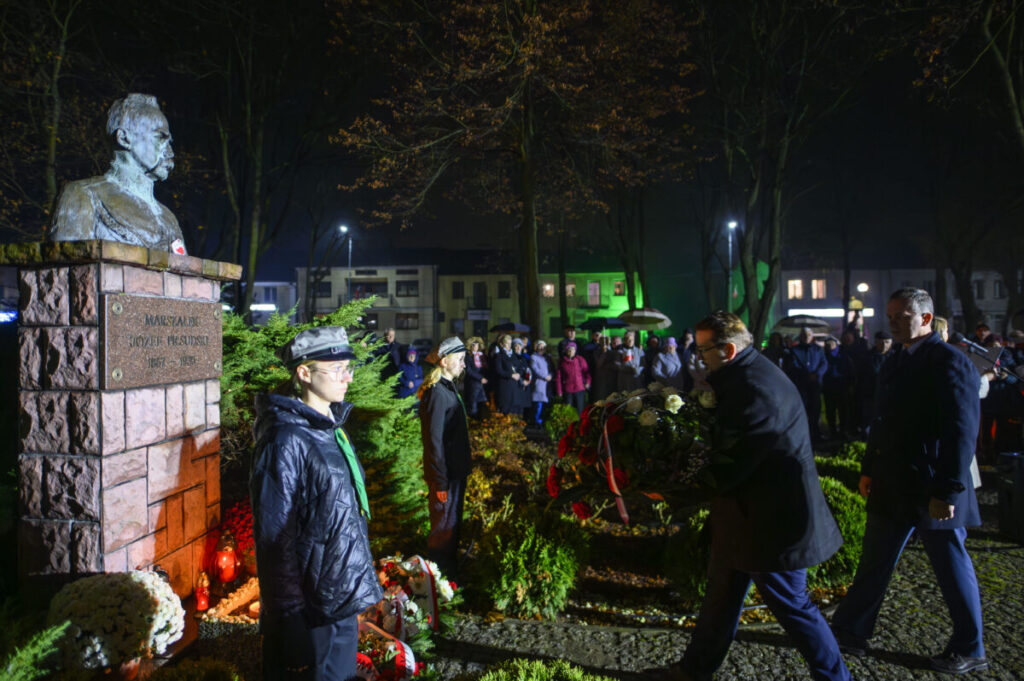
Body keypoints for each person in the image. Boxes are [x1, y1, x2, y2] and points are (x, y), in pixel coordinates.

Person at [673, 312, 849, 681]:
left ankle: (837, 678)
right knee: (720, 600)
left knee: (793, 606)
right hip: (745, 518)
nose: (699, 357)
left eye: (704, 350)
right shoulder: (743, 376)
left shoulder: (755, 388)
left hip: (773, 523)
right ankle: (695, 670)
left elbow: (734, 462)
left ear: (729, 350)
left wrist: (676, 490)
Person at [831, 288, 987, 674]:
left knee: (951, 567)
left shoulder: (950, 361)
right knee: (875, 561)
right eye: (891, 316)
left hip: (932, 487)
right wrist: (869, 467)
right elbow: (881, 420)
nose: (894, 323)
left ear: (927, 319)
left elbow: (961, 433)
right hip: (893, 481)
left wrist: (948, 489)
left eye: (903, 316)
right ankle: (850, 630)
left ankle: (971, 647)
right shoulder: (897, 358)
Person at [251, 327, 381, 681]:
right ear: (304, 374)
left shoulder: (329, 427)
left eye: (348, 368)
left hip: (337, 601)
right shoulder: (285, 439)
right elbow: (274, 536)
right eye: (336, 369)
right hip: (310, 611)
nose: (347, 377)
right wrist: (289, 616)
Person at [49, 93, 186, 253]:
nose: (170, 152)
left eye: (169, 142)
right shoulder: (83, 194)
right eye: (160, 138)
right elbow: (67, 265)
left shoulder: (168, 218)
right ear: (124, 138)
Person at [418, 337, 472, 579]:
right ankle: (439, 587)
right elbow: (433, 441)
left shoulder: (448, 389)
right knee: (443, 533)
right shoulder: (437, 393)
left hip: (455, 472)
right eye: (460, 359)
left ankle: (449, 582)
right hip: (446, 476)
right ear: (444, 361)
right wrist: (439, 480)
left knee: (451, 530)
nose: (464, 364)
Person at [785, 327, 828, 442]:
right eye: (804, 335)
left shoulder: (818, 350)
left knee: (815, 410)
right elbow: (793, 365)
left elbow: (824, 363)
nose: (806, 337)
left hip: (815, 385)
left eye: (808, 335)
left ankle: (815, 434)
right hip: (802, 384)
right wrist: (806, 375)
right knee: (802, 410)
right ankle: (803, 435)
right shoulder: (794, 350)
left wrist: (817, 374)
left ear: (812, 337)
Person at [822, 337, 854, 440]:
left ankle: (843, 431)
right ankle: (833, 431)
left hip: (841, 387)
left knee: (843, 411)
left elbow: (850, 371)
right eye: (827, 343)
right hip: (829, 388)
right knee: (830, 411)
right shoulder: (823, 356)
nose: (829, 345)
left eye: (831, 343)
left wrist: (850, 385)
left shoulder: (843, 356)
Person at [555, 341, 591, 416]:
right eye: (569, 349)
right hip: (568, 390)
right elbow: (559, 377)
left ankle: (581, 425)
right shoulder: (562, 362)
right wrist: (559, 391)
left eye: (573, 349)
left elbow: (587, 372)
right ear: (566, 350)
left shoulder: (580, 360)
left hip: (580, 388)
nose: (571, 351)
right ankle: (570, 426)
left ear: (575, 350)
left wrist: (588, 382)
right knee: (568, 410)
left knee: (580, 410)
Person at [492, 334, 521, 415]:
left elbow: (519, 367)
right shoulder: (499, 356)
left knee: (514, 411)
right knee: (505, 410)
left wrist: (519, 374)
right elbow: (499, 371)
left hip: (514, 387)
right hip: (505, 387)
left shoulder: (514, 355)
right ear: (502, 344)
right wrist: (511, 375)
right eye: (507, 344)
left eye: (510, 344)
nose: (509, 346)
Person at [462, 336, 489, 418]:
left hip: (482, 385)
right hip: (473, 384)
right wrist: (480, 378)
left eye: (477, 345)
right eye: (474, 345)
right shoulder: (468, 357)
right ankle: (472, 423)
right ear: (470, 346)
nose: (475, 347)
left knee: (482, 405)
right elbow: (469, 371)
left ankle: (480, 422)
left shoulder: (482, 356)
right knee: (472, 406)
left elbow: (486, 368)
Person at [530, 340, 554, 426]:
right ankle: (536, 422)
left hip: (548, 385)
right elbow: (535, 369)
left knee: (546, 405)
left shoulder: (547, 358)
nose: (541, 348)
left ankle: (543, 422)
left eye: (543, 347)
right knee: (538, 405)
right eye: (540, 346)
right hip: (539, 384)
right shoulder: (533, 357)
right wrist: (545, 376)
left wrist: (550, 375)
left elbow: (552, 368)